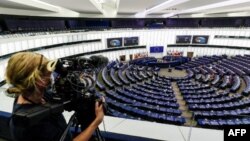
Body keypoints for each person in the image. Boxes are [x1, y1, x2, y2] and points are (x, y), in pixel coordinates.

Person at [5, 52, 104, 141]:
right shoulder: (34, 123)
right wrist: (96, 122)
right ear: (40, 80)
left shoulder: (29, 93)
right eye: (48, 74)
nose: (52, 76)